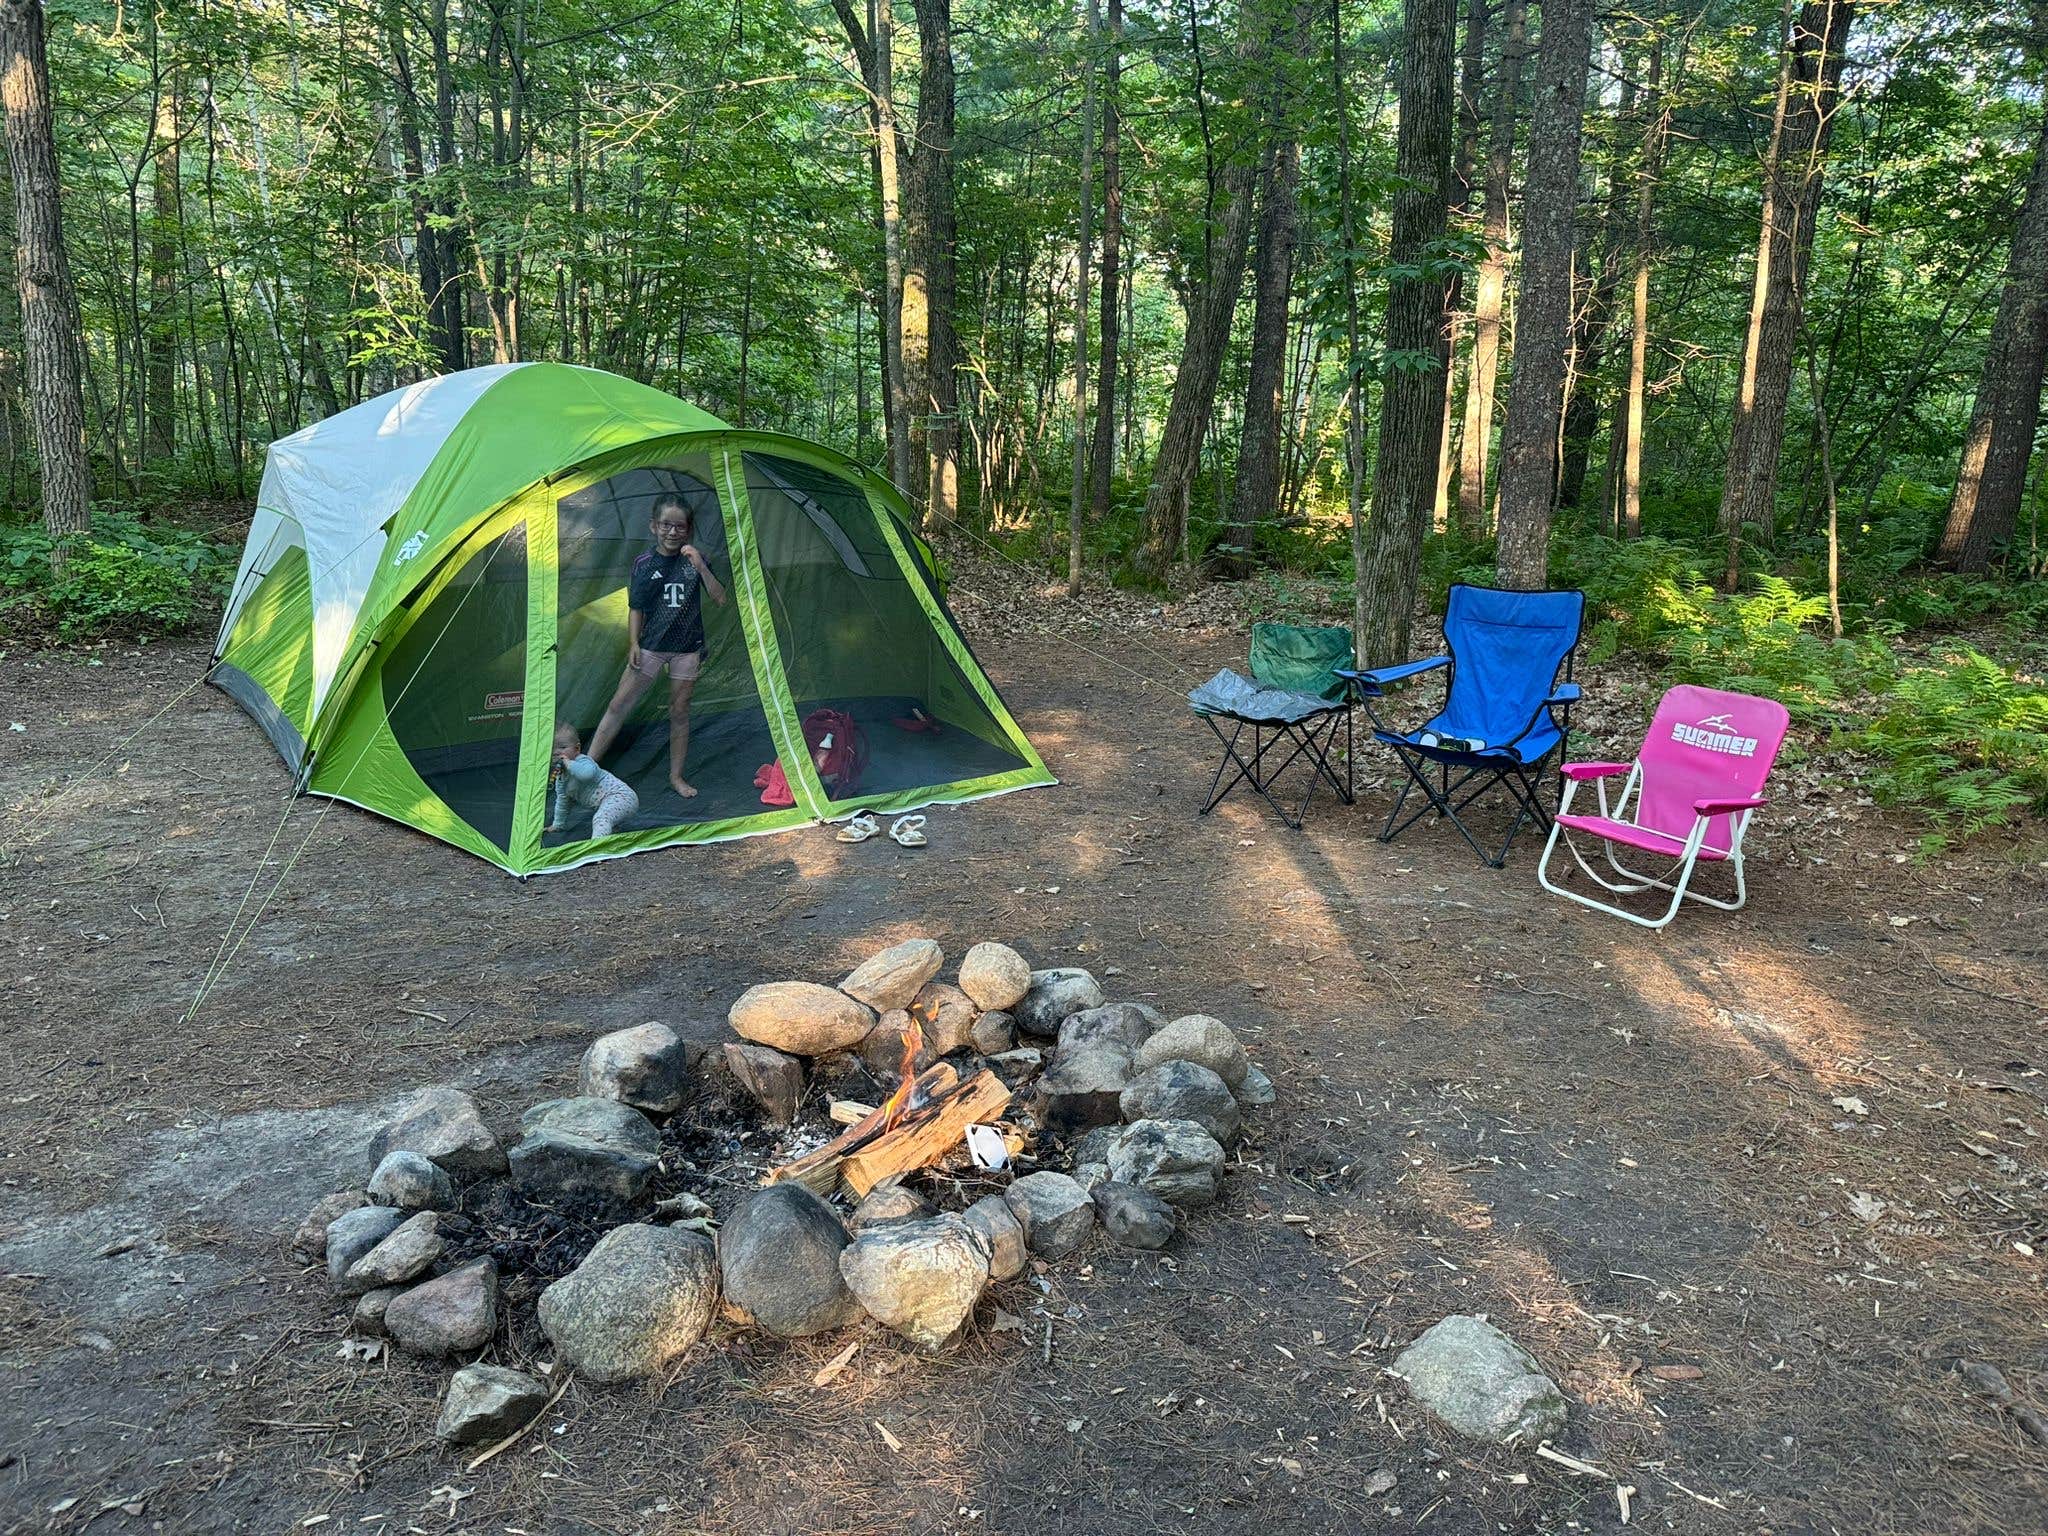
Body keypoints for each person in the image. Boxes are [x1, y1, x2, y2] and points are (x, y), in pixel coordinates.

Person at [586, 493, 729, 798]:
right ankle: (585, 771)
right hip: (651, 645)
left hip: (687, 648)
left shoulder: (696, 559)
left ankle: (676, 776)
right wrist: (634, 643)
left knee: (680, 711)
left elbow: (720, 599)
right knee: (618, 705)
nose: (672, 532)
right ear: (654, 526)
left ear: (688, 530)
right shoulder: (644, 562)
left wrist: (701, 567)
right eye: (666, 525)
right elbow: (636, 607)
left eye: (679, 526)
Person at [547, 722, 639, 838]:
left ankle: (597, 846)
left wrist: (569, 763)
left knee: (601, 818)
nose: (556, 752)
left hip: (621, 797)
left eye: (562, 747)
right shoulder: (561, 778)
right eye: (552, 749)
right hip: (608, 803)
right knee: (606, 820)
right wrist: (558, 824)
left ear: (577, 748)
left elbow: (587, 774)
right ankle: (610, 838)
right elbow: (562, 801)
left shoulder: (583, 761)